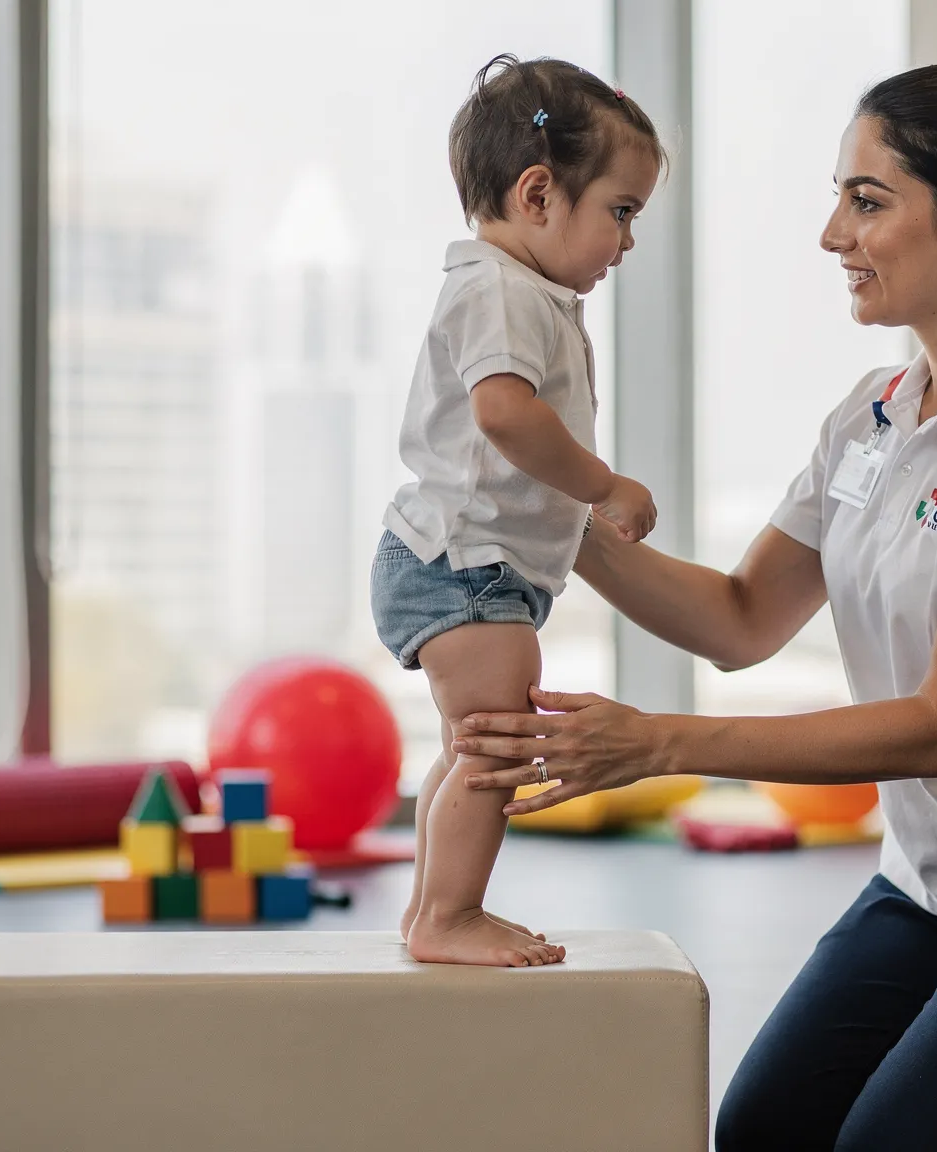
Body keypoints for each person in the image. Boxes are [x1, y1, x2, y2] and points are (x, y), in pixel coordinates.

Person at [453, 62, 937, 1150]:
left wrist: (659, 743)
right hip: (932, 878)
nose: (830, 234)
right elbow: (738, 619)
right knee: (766, 1131)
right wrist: (548, 518)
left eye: (866, 201)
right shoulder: (870, 416)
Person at [371, 54, 665, 968]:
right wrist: (602, 486)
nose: (626, 243)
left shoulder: (521, 290)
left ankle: (431, 908)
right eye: (621, 212)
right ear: (538, 194)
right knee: (497, 750)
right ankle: (449, 916)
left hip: (461, 563)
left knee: (471, 747)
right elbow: (503, 412)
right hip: (462, 564)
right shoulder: (500, 289)